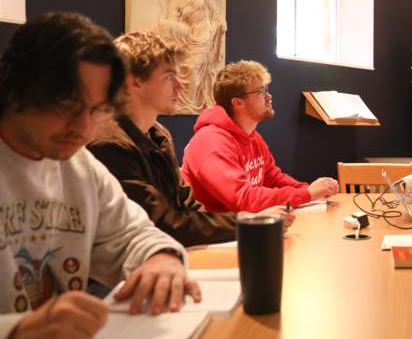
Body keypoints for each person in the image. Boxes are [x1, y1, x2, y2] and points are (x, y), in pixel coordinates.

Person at [0, 12, 201, 339]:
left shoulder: (77, 164)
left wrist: (161, 258)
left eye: (98, 111)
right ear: (15, 86)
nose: (83, 128)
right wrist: (10, 338)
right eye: (66, 106)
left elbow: (131, 232)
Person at [88, 32, 294, 248]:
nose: (181, 86)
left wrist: (252, 222)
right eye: (169, 77)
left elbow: (188, 208)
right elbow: (162, 224)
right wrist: (252, 222)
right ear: (135, 82)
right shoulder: (109, 145)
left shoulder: (158, 134)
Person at [181, 60, 338, 213]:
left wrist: (313, 190)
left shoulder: (252, 137)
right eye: (260, 92)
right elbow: (243, 199)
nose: (268, 96)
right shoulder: (210, 142)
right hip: (220, 234)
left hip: (246, 226)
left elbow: (272, 177)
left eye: (266, 89)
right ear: (237, 103)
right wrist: (307, 194)